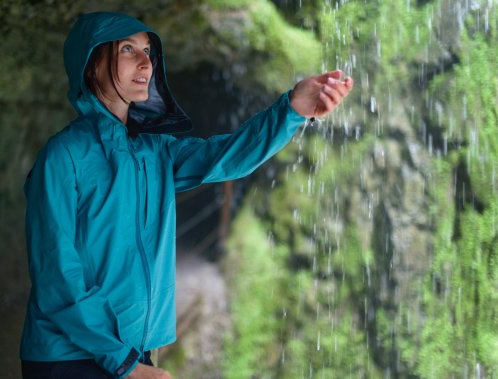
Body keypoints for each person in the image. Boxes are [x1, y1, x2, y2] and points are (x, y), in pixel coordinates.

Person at [19, 11, 353, 379]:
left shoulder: (155, 151)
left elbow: (227, 158)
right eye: (128, 49)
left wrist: (293, 108)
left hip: (132, 351)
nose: (146, 61)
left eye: (148, 50)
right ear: (90, 66)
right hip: (68, 357)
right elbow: (56, 276)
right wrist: (127, 365)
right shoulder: (62, 157)